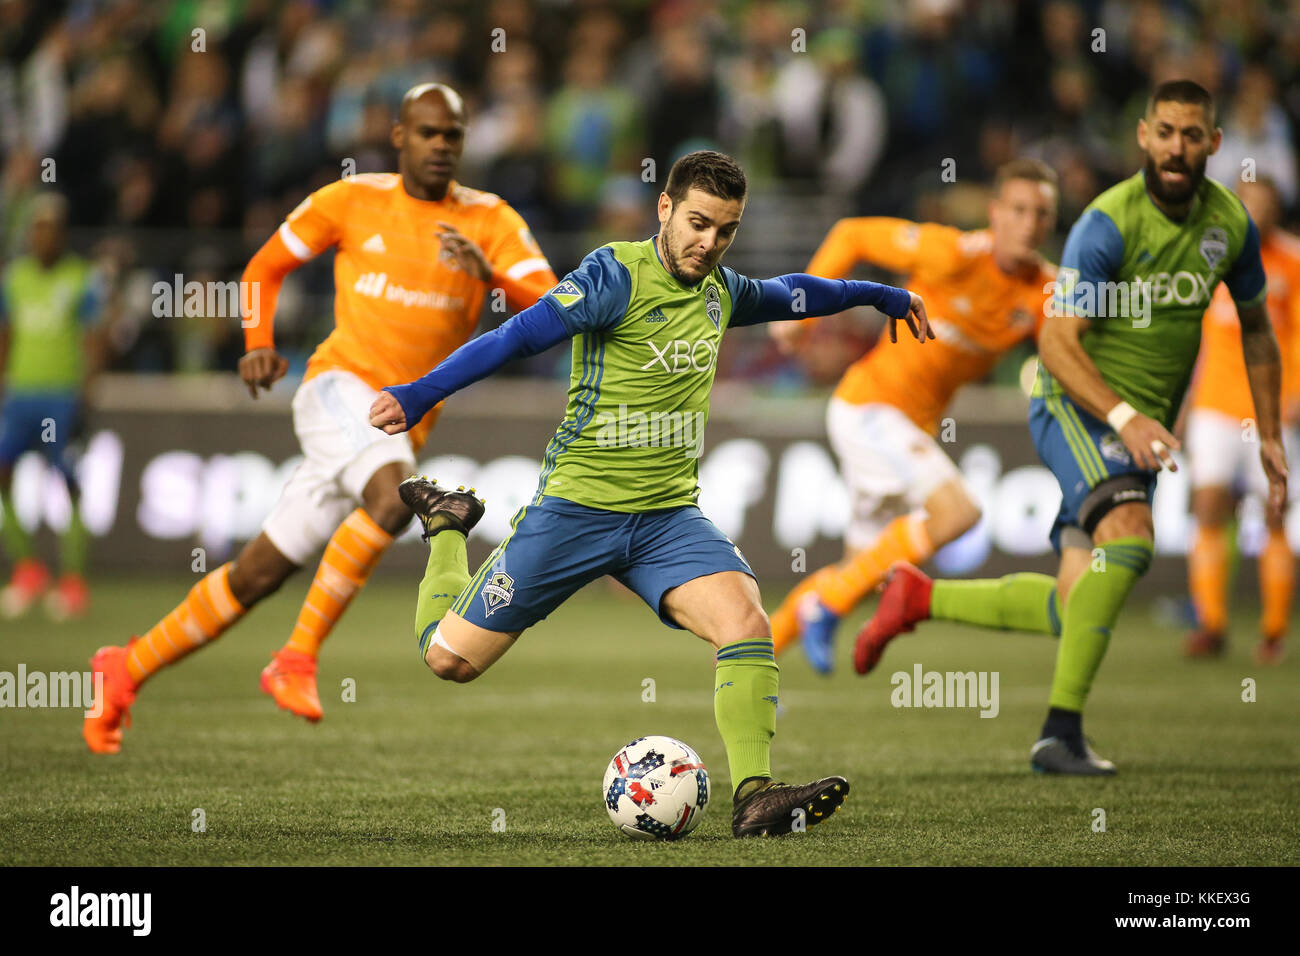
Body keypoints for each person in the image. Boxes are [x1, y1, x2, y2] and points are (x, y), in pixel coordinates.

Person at [368, 150, 933, 836]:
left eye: (725, 230)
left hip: (666, 519)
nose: (709, 242)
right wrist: (417, 394)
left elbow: (797, 291)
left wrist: (882, 295)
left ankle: (754, 793)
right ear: (664, 209)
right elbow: (515, 338)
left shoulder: (722, 291)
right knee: (447, 660)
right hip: (575, 511)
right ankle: (449, 524)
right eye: (698, 223)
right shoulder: (613, 275)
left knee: (748, 624)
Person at [83, 83, 557, 754]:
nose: (441, 146)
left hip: (394, 425)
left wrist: (493, 275)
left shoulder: (491, 220)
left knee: (257, 574)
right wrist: (257, 343)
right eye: (428, 133)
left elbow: (555, 305)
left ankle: (124, 667)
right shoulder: (352, 198)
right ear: (399, 137)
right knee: (396, 500)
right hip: (338, 388)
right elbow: (264, 266)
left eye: (453, 135)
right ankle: (297, 657)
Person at [854, 80, 1285, 775]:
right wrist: (1123, 415)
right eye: (1166, 131)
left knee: (1072, 604)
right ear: (1143, 135)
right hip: (1078, 406)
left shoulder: (1229, 226)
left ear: (1215, 143)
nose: (1178, 147)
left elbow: (1259, 331)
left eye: (1192, 134)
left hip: (1140, 429)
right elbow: (1056, 340)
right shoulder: (1107, 224)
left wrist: (1268, 432)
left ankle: (919, 596)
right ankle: (1060, 734)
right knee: (1132, 540)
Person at [768, 158, 1059, 673]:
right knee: (959, 514)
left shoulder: (1043, 294)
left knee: (860, 573)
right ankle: (831, 605)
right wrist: (802, 314)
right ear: (995, 212)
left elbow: (1078, 351)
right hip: (870, 408)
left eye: (1040, 213)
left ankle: (746, 664)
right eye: (1017, 209)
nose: (1028, 223)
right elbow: (851, 233)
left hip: (905, 429)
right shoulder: (951, 254)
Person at [1182, 176, 1300, 664]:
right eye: (1247, 205)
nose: (1255, 214)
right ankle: (1211, 624)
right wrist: (1183, 404)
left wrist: (1291, 396)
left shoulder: (1292, 261)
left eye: (1264, 205)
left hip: (1270, 408)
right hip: (1214, 404)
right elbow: (1196, 336)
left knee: (1274, 512)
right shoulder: (1208, 258)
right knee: (1209, 506)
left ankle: (1273, 631)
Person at [0, 192, 105, 620]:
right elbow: (6, 335)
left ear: (62, 234)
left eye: (50, 229)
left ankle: (74, 581)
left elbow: (93, 339)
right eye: (36, 228)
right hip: (21, 393)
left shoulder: (81, 278)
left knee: (67, 482)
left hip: (61, 396)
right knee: (3, 473)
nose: (42, 237)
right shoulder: (14, 279)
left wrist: (87, 391)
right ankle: (28, 569)